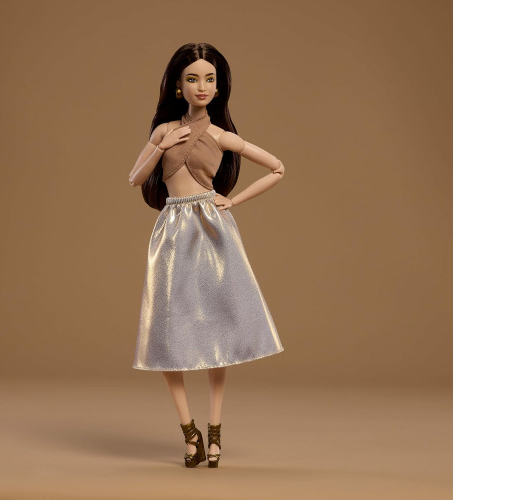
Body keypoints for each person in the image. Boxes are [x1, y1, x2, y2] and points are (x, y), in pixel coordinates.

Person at [128, 42, 286, 468]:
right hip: (171, 231)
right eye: (193, 78)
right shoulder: (163, 131)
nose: (202, 86)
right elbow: (134, 177)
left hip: (212, 229)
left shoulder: (220, 135)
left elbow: (277, 168)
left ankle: (214, 432)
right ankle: (189, 432)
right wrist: (162, 145)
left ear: (219, 87)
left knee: (220, 325)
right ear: (177, 86)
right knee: (166, 329)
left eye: (210, 79)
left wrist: (233, 200)